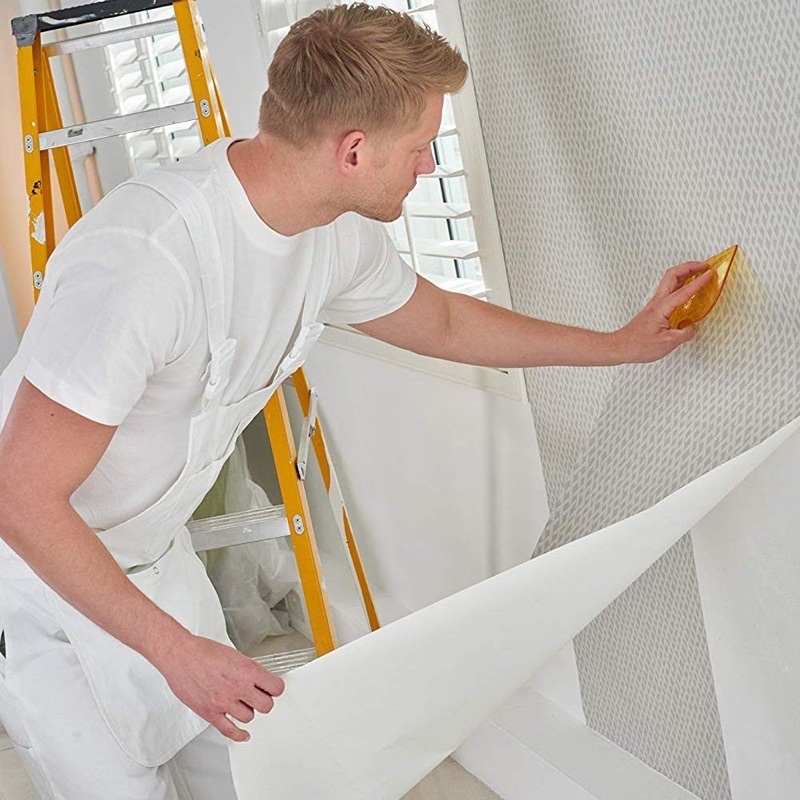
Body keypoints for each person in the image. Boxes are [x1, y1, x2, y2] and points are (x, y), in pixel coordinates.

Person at [0, 4, 712, 799]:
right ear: (354, 150)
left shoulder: (330, 232)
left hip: (154, 562)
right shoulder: (147, 263)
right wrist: (175, 651)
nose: (427, 166)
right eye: (419, 147)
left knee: (232, 780)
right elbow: (22, 499)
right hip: (41, 582)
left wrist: (620, 344)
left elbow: (442, 322)